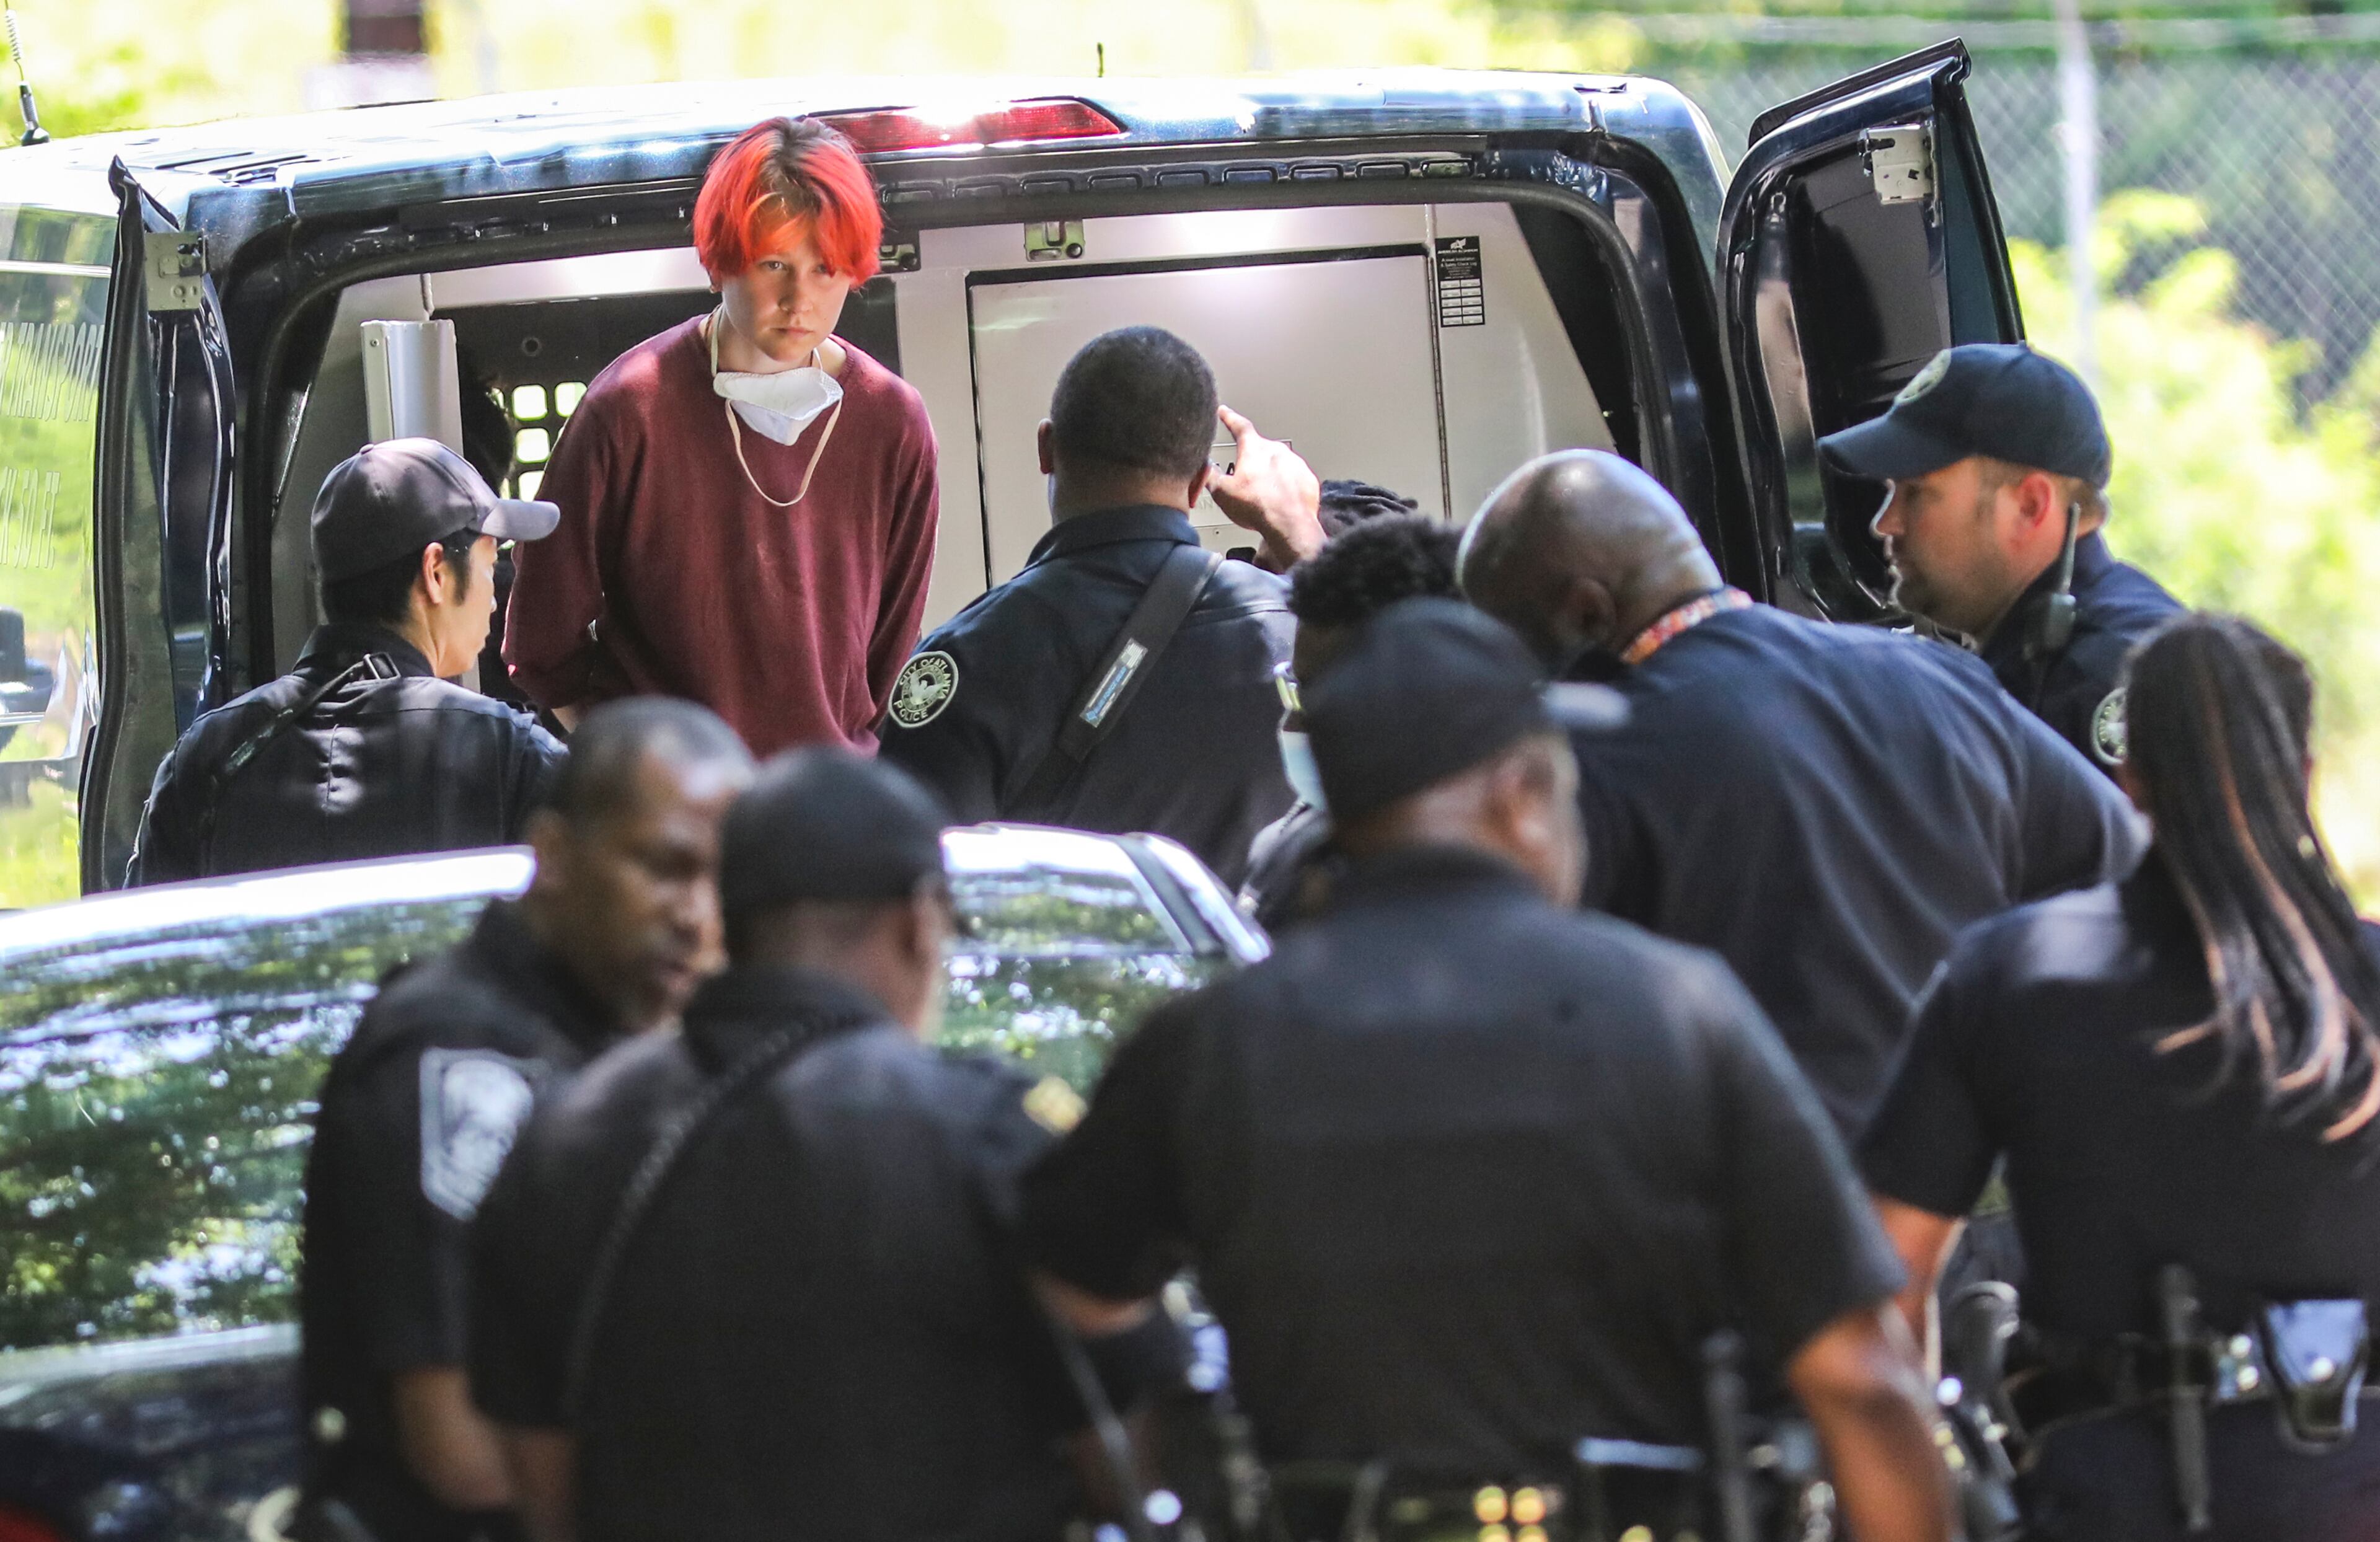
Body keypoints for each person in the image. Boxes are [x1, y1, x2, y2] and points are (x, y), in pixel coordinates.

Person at [1021, 598, 1955, 1542]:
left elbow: (1066, 1301)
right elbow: (1858, 1381)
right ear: (1518, 793)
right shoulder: (1677, 1012)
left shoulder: (1209, 1043)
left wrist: (1153, 1474)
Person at [469, 749, 1175, 1542]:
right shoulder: (986, 1129)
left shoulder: (562, 1138)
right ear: (919, 923)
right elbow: (1131, 1449)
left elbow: (543, 1489)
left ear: (729, 924)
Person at [1862, 615, 2380, 1542]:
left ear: (2129, 776)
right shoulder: (2367, 979)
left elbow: (1886, 1298)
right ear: (2303, 773)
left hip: (2111, 1503)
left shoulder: (2016, 972)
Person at [1458, 449, 2143, 1134]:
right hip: (1972, 1195)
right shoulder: (1936, 680)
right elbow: (2130, 871)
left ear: (1587, 612)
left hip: (1771, 1207)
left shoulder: (1597, 762)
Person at [296, 698, 753, 1542]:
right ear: (552, 857)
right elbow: (465, 1453)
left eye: (723, 882)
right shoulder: (460, 1060)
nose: (698, 917)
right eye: (664, 867)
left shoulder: (622, 1035)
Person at [503, 117, 938, 756]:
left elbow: (888, 659)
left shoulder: (892, 421)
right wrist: (645, 774)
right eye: (774, 265)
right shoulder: (631, 408)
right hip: (671, 814)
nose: (801, 299)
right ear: (719, 263)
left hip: (822, 803)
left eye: (826, 269)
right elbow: (542, 643)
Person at [877, 327, 1315, 887]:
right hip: (1273, 973)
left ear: (1046, 448)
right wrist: (1302, 534)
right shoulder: (1298, 632)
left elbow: (909, 895)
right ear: (1203, 481)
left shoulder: (964, 661)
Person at [127, 438, 567, 886]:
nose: (495, 599)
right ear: (436, 573)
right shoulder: (510, 756)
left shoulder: (205, 759)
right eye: (490, 565)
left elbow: (142, 945)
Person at [1818, 341, 2181, 773]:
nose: (1886, 523)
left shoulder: (2098, 680)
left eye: (1917, 493)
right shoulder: (2057, 657)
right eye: (1891, 491)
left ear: (2030, 506)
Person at [1238, 509, 1460, 930]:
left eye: (1328, 698)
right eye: (1297, 691)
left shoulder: (1507, 885)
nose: (1295, 727)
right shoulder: (1283, 848)